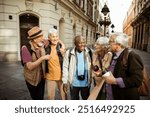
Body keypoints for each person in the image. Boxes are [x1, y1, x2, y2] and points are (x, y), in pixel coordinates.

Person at [102, 32, 144, 100]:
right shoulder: (113, 55)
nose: (108, 43)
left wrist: (115, 81)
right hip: (111, 96)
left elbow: (137, 80)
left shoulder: (132, 56)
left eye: (111, 41)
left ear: (118, 44)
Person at [21, 26, 50, 100]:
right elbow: (29, 66)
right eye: (40, 37)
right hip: (31, 79)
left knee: (40, 98)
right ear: (34, 39)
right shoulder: (25, 48)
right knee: (35, 98)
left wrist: (62, 45)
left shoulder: (42, 44)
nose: (43, 38)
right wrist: (42, 58)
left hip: (42, 78)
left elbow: (53, 39)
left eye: (42, 36)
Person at [62, 35, 92, 100]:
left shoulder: (89, 52)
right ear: (75, 44)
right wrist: (65, 81)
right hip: (74, 83)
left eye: (84, 42)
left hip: (86, 83)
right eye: (80, 43)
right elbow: (65, 67)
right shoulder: (69, 53)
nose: (82, 44)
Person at [44, 28, 66, 100]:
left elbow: (67, 61)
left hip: (61, 76)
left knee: (64, 97)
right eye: (53, 36)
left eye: (56, 36)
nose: (55, 38)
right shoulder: (46, 47)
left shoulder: (61, 47)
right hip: (50, 76)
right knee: (50, 97)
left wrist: (64, 54)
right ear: (49, 38)